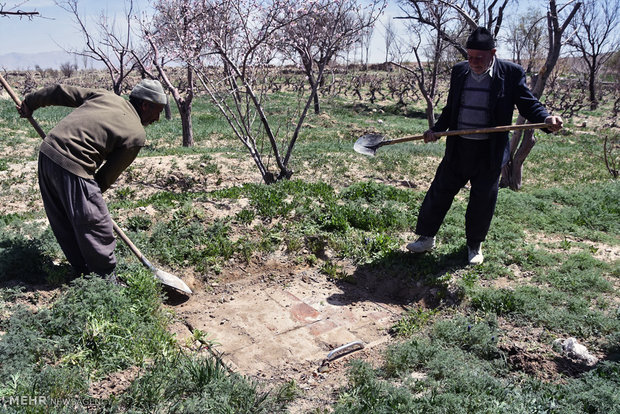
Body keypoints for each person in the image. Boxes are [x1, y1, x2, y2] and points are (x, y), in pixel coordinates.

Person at [406, 27, 563, 265]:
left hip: (488, 152)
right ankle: (426, 238)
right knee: (439, 192)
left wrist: (546, 119)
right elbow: (452, 108)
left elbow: (527, 103)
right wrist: (437, 129)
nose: (473, 62)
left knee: (482, 201)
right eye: (469, 56)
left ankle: (474, 246)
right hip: (458, 149)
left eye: (479, 58)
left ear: (493, 53)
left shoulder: (510, 73)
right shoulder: (460, 71)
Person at [18, 79, 167, 281]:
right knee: (97, 224)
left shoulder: (105, 96)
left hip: (47, 153)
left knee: (63, 220)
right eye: (158, 110)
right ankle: (106, 280)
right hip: (74, 164)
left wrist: (30, 102)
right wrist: (89, 200)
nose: (157, 118)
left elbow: (60, 91)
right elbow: (106, 177)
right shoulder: (136, 134)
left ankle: (82, 273)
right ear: (145, 105)